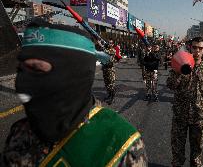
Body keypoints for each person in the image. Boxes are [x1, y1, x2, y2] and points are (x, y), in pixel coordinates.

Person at [0, 20, 147, 167]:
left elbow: (111, 59)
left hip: (110, 73)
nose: (22, 85)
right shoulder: (19, 132)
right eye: (21, 70)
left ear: (73, 74)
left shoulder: (123, 147)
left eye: (37, 69)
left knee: (110, 85)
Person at [166, 36, 203, 167]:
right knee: (177, 152)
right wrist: (181, 71)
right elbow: (170, 85)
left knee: (197, 153)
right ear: (190, 48)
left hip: (198, 117)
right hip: (180, 115)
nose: (197, 51)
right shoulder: (179, 64)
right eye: (194, 47)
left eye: (200, 48)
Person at [102, 39, 117, 105]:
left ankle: (113, 98)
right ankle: (109, 95)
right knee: (107, 83)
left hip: (110, 70)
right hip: (105, 69)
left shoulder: (113, 50)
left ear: (113, 44)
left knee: (111, 84)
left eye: (111, 43)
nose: (109, 44)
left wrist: (102, 47)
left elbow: (107, 55)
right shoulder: (106, 49)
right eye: (108, 43)